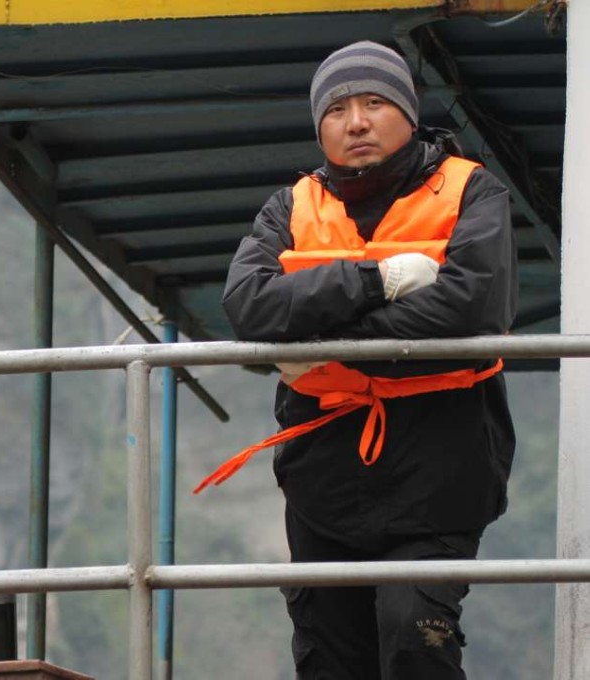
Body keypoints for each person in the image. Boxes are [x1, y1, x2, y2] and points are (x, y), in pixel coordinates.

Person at [208, 41, 517, 679]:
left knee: (415, 639)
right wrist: (379, 281)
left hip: (442, 473)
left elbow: (472, 310)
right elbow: (249, 306)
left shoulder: (471, 191)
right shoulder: (289, 206)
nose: (356, 122)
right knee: (328, 658)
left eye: (375, 103)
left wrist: (321, 345)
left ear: (407, 111)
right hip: (324, 482)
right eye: (337, 109)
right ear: (319, 125)